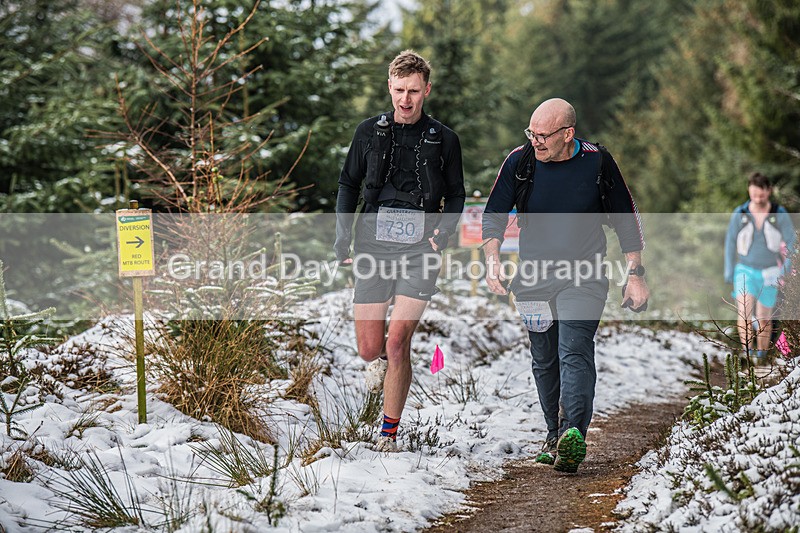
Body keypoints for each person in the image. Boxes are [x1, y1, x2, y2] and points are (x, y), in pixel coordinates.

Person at [481, 98, 648, 473]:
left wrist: (635, 274)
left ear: (567, 134)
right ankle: (553, 433)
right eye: (531, 133)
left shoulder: (597, 162)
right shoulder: (519, 162)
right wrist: (492, 261)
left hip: (584, 277)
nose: (535, 141)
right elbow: (493, 216)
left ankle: (574, 434)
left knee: (573, 349)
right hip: (533, 281)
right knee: (544, 358)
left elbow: (626, 220)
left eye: (542, 135)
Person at [334, 50, 465, 452]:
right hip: (373, 245)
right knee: (370, 348)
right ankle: (379, 366)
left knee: (397, 342)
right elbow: (347, 185)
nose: (405, 99)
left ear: (426, 89)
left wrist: (441, 236)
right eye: (398, 90)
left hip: (420, 250)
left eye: (413, 91)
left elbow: (457, 195)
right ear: (389, 88)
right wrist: (343, 238)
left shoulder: (445, 139)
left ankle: (388, 434)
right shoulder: (367, 132)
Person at [724, 172, 795, 361]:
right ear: (749, 190)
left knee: (764, 317)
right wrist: (729, 270)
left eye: (761, 195)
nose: (758, 199)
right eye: (754, 195)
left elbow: (791, 241)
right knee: (744, 311)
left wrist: (786, 269)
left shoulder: (779, 213)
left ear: (769, 191)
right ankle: (747, 354)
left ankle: (761, 356)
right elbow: (731, 242)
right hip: (745, 269)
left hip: (771, 272)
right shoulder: (740, 213)